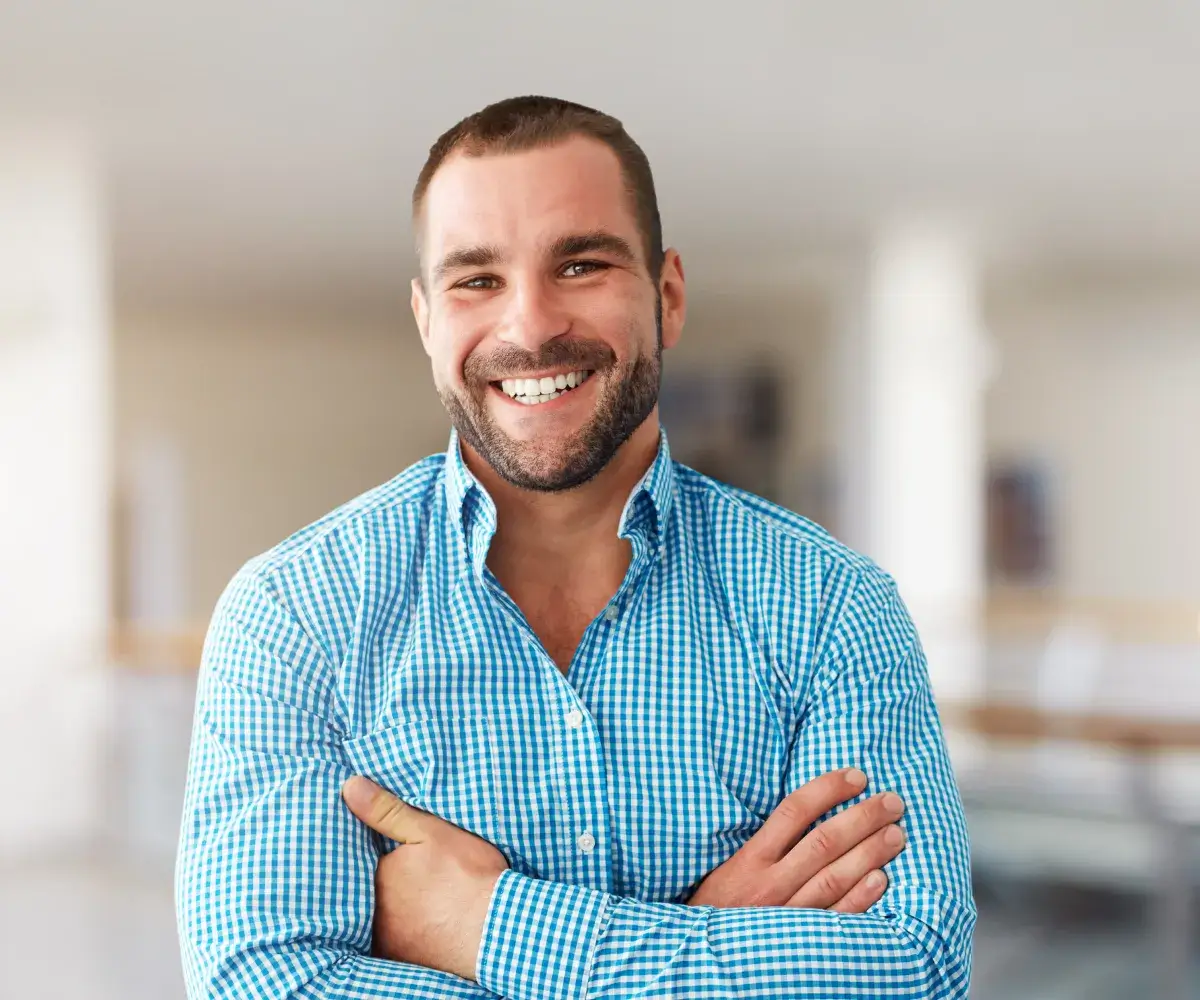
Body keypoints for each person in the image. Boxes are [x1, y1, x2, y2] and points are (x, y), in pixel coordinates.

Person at [176, 95, 975, 1000]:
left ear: (666, 296)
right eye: (476, 280)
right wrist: (708, 938)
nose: (529, 325)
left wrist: (481, 926)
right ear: (427, 320)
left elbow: (912, 970)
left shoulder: (832, 606)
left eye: (581, 263)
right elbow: (261, 983)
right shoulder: (295, 613)